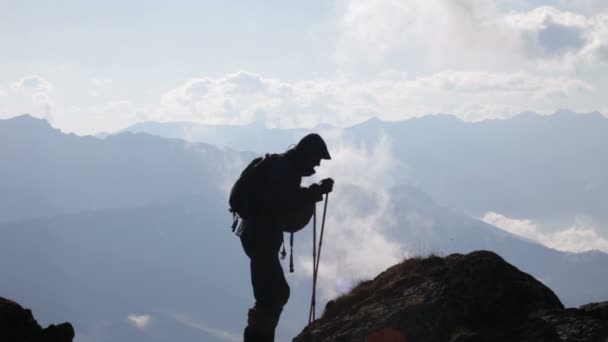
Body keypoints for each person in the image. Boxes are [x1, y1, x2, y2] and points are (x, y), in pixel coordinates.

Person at [239, 133, 334, 342]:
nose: (317, 164)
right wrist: (313, 193)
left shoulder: (286, 168)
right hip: (261, 237)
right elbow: (279, 202)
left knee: (273, 294)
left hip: (258, 235)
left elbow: (281, 197)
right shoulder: (285, 170)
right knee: (272, 295)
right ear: (307, 154)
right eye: (317, 158)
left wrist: (313, 192)